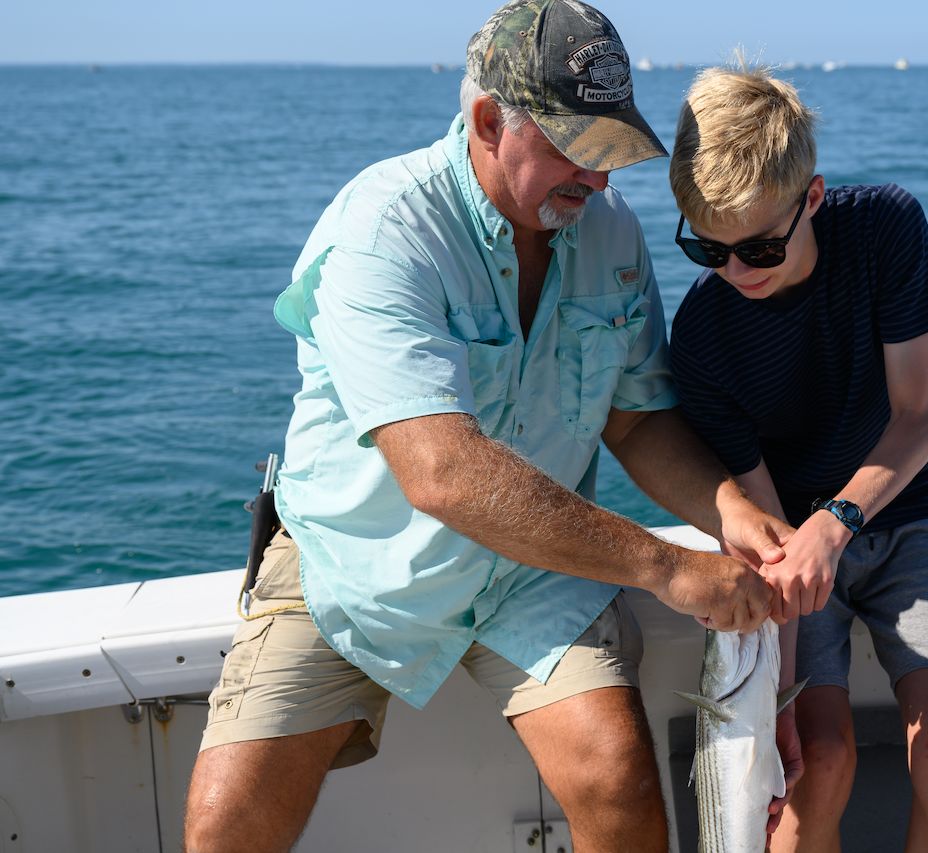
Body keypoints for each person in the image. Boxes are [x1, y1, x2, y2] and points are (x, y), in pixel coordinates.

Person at [183, 6, 791, 851]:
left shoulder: (609, 234)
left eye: (612, 152)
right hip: (351, 566)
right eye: (576, 147)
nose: (601, 180)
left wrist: (729, 510)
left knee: (616, 772)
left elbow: (638, 420)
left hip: (533, 574)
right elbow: (443, 473)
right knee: (226, 826)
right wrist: (668, 567)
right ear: (486, 121)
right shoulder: (385, 230)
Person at [666, 61, 928, 852]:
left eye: (760, 245)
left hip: (909, 511)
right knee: (817, 762)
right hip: (787, 556)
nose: (736, 271)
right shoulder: (702, 336)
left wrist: (837, 520)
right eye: (708, 249)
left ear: (812, 197)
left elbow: (919, 419)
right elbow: (763, 519)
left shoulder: (885, 229)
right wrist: (769, 701)